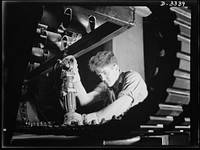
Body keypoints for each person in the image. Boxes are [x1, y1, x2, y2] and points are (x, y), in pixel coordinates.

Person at [64, 50, 148, 125]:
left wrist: (85, 118)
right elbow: (85, 100)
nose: (103, 78)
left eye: (105, 73)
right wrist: (74, 72)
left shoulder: (132, 77)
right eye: (100, 75)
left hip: (144, 126)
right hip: (126, 126)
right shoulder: (106, 86)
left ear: (116, 68)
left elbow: (123, 103)